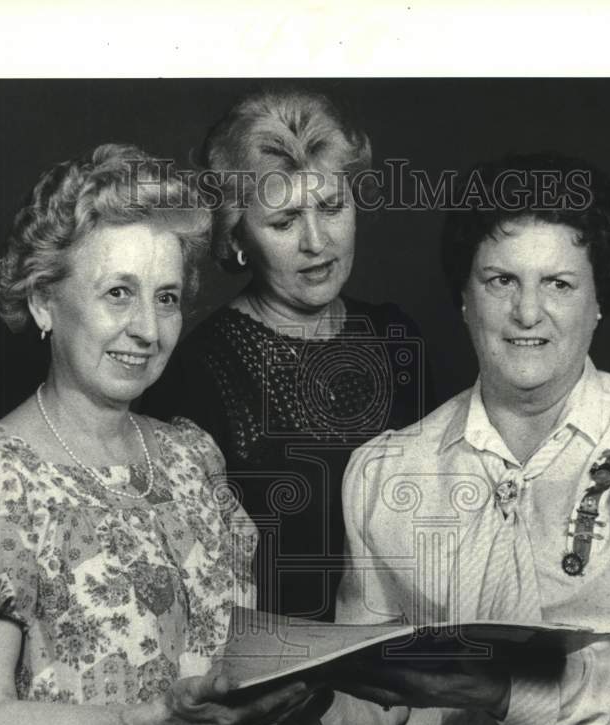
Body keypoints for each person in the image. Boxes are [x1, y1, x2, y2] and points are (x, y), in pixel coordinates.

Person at [0, 143, 330, 725]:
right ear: (43, 302)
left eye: (166, 297)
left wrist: (268, 724)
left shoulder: (193, 457)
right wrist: (151, 724)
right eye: (118, 292)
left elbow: (225, 676)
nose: (147, 327)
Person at [322, 153, 610, 725]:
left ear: (598, 302)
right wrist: (307, 723)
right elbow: (377, 690)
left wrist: (505, 688)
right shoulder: (384, 471)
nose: (527, 312)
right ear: (464, 298)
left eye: (558, 284)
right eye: (500, 281)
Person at [143, 88, 434, 624]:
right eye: (284, 222)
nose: (316, 241)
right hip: (284, 675)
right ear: (237, 237)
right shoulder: (200, 372)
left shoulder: (396, 337)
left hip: (417, 663)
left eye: (332, 207)